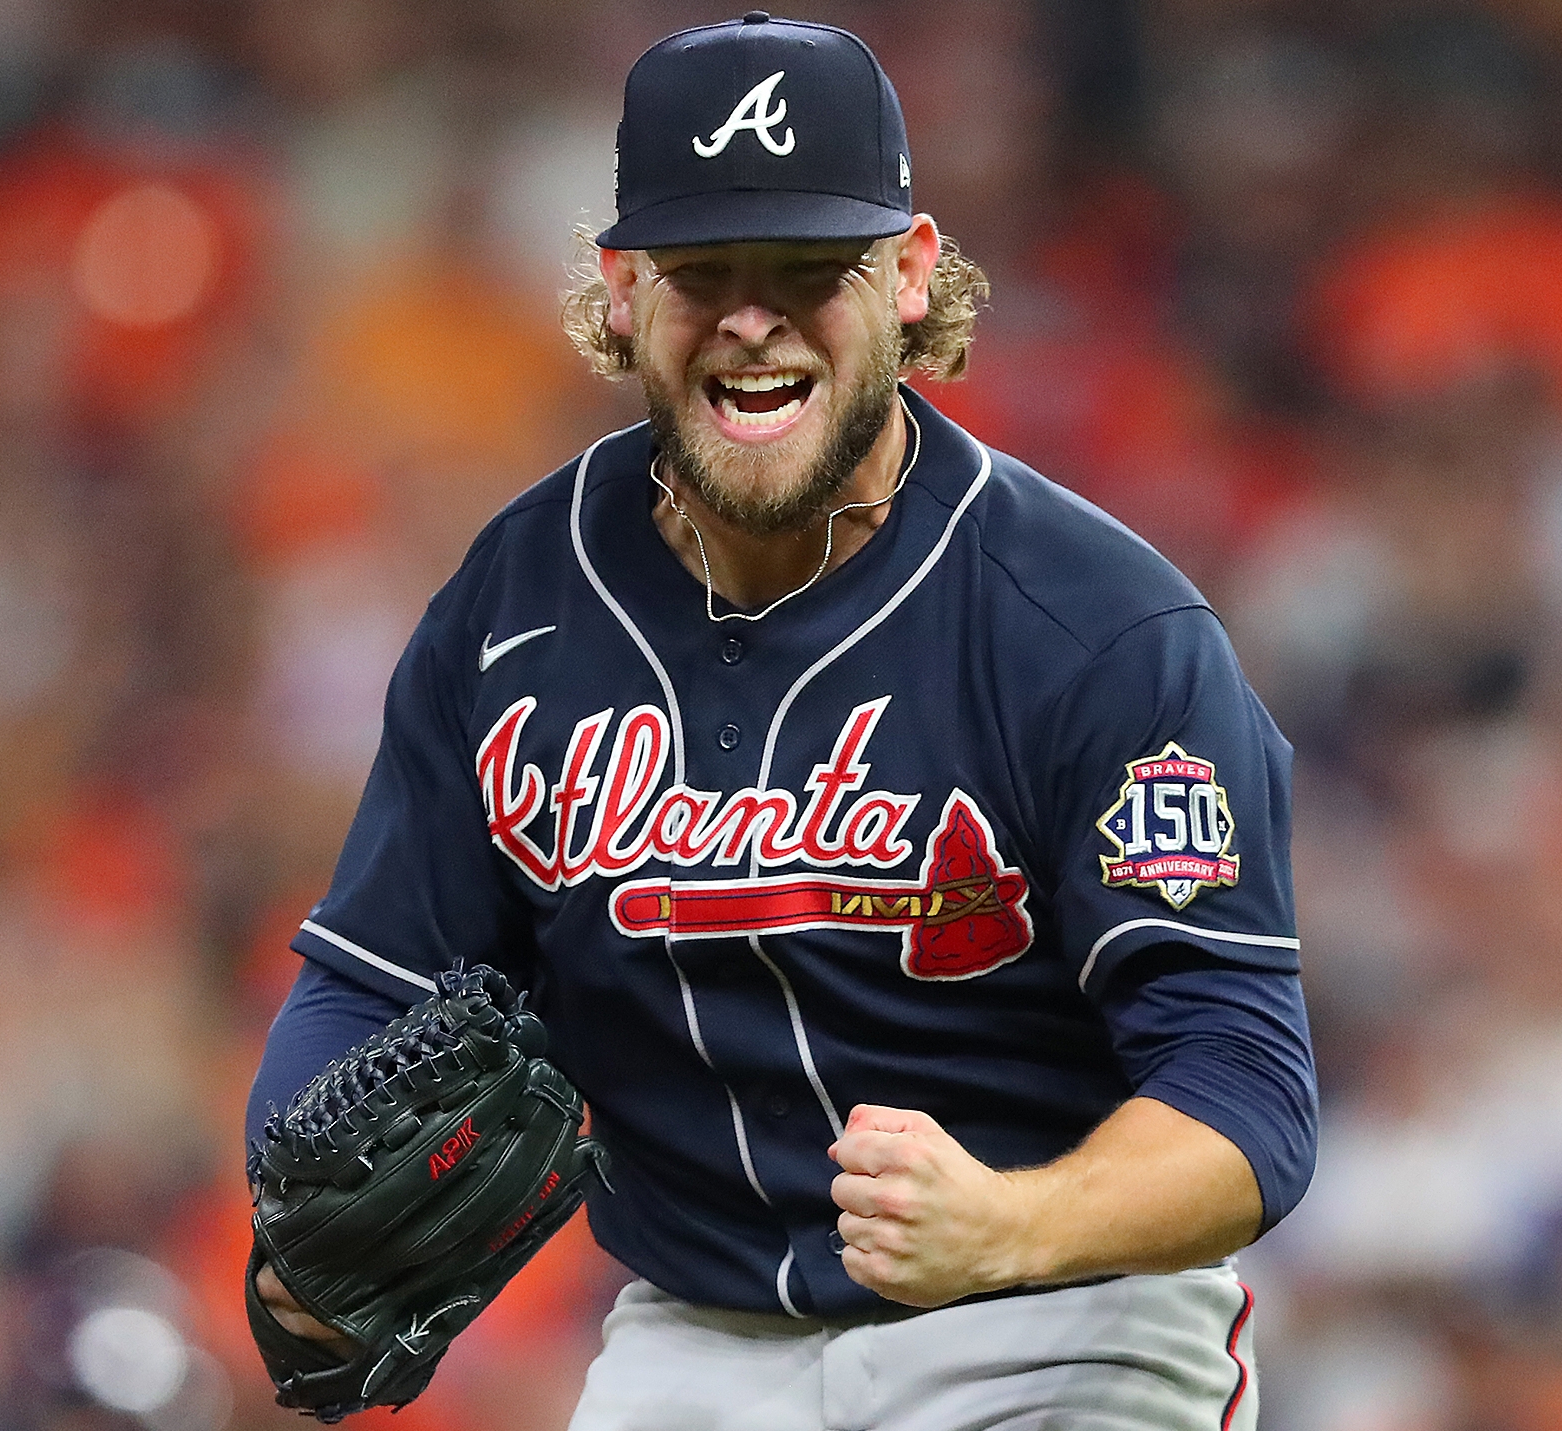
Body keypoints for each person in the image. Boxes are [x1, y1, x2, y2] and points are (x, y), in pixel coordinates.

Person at [246, 13, 1316, 1429]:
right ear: (622, 292)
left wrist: (1011, 1225)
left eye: (811, 270)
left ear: (911, 281)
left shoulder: (1096, 632)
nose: (754, 318)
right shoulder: (517, 604)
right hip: (697, 1339)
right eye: (705, 272)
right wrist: (296, 1199)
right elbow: (372, 977)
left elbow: (1245, 1091)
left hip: (1055, 1316)